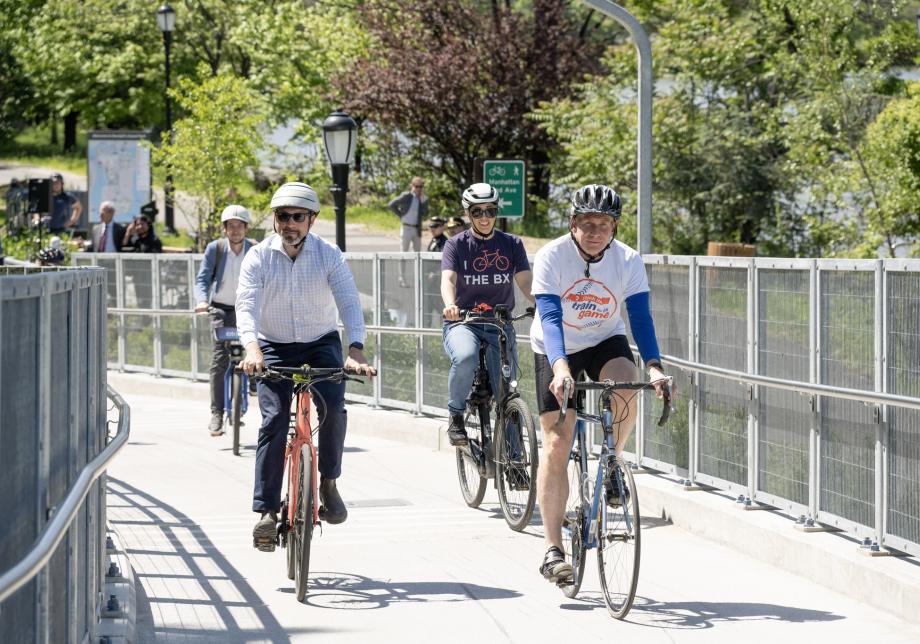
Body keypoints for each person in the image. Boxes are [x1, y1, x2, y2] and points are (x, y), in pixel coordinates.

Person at [529, 184, 668, 585]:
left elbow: (640, 318)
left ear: (614, 228)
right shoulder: (553, 256)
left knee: (627, 384)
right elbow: (551, 317)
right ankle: (552, 549)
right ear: (573, 224)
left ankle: (612, 464)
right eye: (586, 223)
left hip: (604, 338)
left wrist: (655, 366)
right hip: (556, 346)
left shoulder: (627, 260)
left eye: (603, 225)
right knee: (558, 441)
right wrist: (559, 368)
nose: (594, 232)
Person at [237, 182, 376, 551]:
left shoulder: (329, 255)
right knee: (273, 420)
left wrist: (356, 349)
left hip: (320, 342)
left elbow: (348, 301)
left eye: (298, 217)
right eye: (283, 217)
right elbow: (246, 306)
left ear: (312, 220)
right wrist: (252, 348)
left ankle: (328, 483)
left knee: (333, 410)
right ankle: (266, 512)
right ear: (275, 220)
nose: (289, 224)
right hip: (272, 345)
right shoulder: (258, 257)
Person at [440, 182, 534, 446]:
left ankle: (515, 461)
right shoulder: (455, 245)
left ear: (497, 212)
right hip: (464, 321)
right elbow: (448, 280)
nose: (484, 217)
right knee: (466, 357)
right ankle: (456, 416)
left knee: (508, 392)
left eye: (490, 211)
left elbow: (525, 281)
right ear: (468, 214)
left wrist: (542, 303)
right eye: (477, 212)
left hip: (500, 324)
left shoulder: (512, 244)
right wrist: (450, 304)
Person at [194, 205, 257, 436]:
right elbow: (202, 279)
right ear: (225, 229)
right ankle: (217, 413)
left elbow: (266, 280)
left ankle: (253, 382)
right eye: (231, 226)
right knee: (219, 360)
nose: (236, 230)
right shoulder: (216, 249)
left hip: (247, 309)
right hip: (220, 309)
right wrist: (201, 300)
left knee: (257, 350)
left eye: (240, 226)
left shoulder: (254, 250)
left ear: (246, 228)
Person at [388, 177, 429, 253]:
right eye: (417, 186)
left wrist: (423, 200)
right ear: (412, 186)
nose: (419, 189)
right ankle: (402, 266)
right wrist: (401, 215)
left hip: (417, 229)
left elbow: (426, 213)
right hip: (406, 228)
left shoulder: (423, 198)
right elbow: (391, 205)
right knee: (404, 252)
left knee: (417, 254)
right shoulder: (406, 195)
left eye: (421, 186)